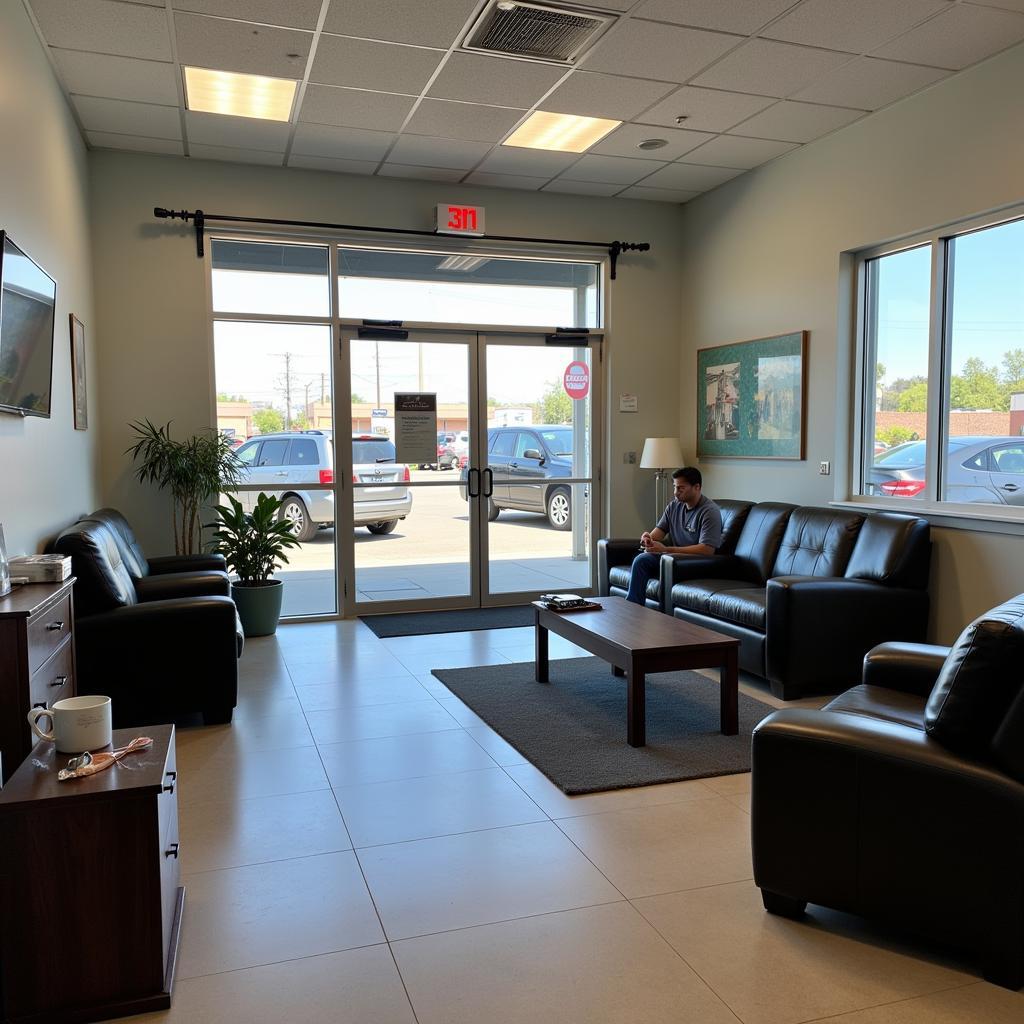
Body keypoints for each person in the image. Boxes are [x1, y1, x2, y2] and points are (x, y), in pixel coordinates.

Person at [625, 466, 723, 606]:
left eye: (680, 488)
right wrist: (648, 538)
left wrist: (666, 550)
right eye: (675, 487)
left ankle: (632, 609)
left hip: (693, 563)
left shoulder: (709, 511)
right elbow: (658, 533)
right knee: (639, 557)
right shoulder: (674, 506)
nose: (676, 493)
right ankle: (634, 609)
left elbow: (706, 550)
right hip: (671, 560)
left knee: (642, 561)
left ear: (697, 487)